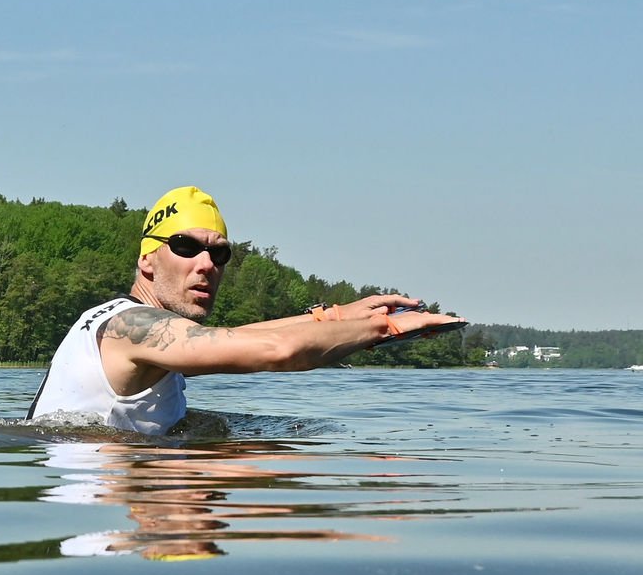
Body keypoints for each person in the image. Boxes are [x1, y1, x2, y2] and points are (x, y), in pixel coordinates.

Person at [27, 186, 464, 435]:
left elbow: (240, 337)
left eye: (219, 254)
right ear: (147, 259)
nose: (206, 265)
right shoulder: (131, 326)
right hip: (112, 531)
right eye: (185, 247)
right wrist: (382, 328)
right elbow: (276, 350)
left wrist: (337, 316)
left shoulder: (138, 331)